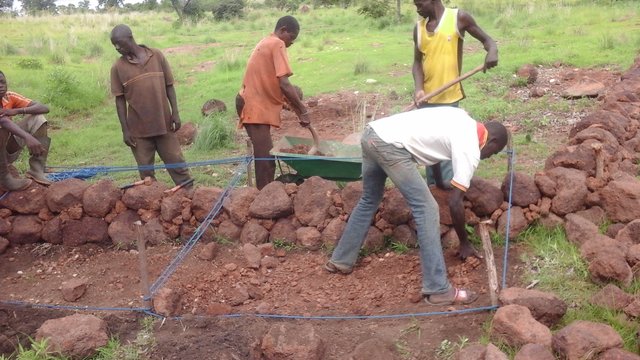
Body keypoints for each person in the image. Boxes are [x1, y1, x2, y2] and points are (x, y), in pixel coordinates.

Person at [325, 106, 508, 306]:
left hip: (373, 134)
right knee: (427, 209)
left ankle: (340, 260)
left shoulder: (460, 116)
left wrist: (438, 182)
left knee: (370, 198)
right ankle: (438, 288)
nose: (488, 157)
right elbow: (455, 202)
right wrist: (464, 243)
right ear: (493, 142)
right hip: (390, 146)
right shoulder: (470, 147)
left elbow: (435, 151)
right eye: (492, 153)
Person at [412, 0, 498, 188]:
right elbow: (417, 63)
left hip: (449, 99)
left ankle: (450, 187)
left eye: (419, 3)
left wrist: (492, 51)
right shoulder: (418, 29)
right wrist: (419, 88)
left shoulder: (458, 18)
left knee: (447, 147)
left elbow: (488, 41)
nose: (416, 7)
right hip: (426, 101)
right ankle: (435, 188)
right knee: (429, 147)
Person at [110, 24, 192, 187]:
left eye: (119, 43)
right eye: (114, 45)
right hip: (138, 131)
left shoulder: (157, 56)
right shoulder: (117, 68)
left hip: (164, 123)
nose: (117, 48)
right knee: (146, 175)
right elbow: (120, 100)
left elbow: (169, 86)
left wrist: (175, 112)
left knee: (178, 165)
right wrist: (125, 130)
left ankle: (189, 195)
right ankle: (152, 204)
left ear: (130, 38)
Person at [236, 15, 310, 190]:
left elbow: (272, 83)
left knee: (265, 157)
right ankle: (264, 198)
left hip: (255, 101)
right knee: (265, 159)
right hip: (253, 104)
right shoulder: (277, 43)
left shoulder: (267, 41)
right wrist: (303, 110)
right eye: (291, 38)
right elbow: (284, 82)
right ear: (283, 30)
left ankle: (266, 193)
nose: (291, 43)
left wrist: (292, 105)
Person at [0, 70, 51, 191]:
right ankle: (4, 178)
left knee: (37, 118)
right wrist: (28, 137)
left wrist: (17, 111)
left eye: (2, 82)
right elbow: (3, 122)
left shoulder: (9, 96)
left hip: (5, 151)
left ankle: (36, 170)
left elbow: (43, 108)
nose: (0, 86)